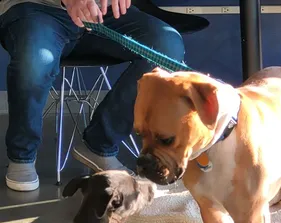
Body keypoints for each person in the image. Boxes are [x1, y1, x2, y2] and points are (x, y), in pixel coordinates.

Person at [0, 0, 185, 191]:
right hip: (36, 9)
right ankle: (22, 155)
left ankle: (100, 145)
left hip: (104, 13)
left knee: (167, 46)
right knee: (35, 62)